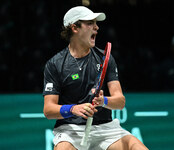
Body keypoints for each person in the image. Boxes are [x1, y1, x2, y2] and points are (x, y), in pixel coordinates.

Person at [43, 6, 148, 150]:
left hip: (106, 129)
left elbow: (120, 101)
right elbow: (48, 110)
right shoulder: (55, 64)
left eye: (96, 23)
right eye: (90, 23)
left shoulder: (105, 58)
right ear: (75, 28)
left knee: (136, 146)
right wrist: (73, 109)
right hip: (71, 130)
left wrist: (103, 101)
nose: (97, 27)